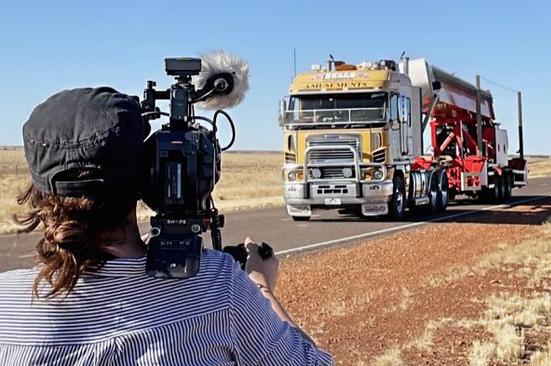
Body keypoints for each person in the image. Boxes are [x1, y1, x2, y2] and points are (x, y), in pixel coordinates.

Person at [0, 87, 333, 365]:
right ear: (148, 177)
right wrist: (261, 289)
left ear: (39, 190)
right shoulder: (218, 287)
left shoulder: (7, 307)